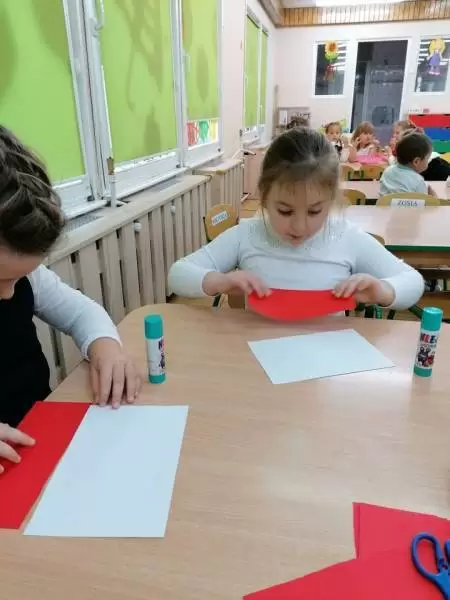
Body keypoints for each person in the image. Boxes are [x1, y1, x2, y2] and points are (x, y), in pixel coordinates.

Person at [0, 126, 142, 467]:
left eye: (19, 277)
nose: (10, 292)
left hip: (39, 433)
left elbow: (80, 312)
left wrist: (105, 346)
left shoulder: (25, 276)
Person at [168, 128, 424, 313]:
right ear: (264, 197)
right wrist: (219, 281)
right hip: (257, 356)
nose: (300, 228)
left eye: (314, 212)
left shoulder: (346, 238)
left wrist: (383, 290)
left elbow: (412, 280)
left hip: (326, 361)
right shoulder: (247, 234)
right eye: (284, 211)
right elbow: (178, 273)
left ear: (331, 201)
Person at [380, 131, 437, 197]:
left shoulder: (387, 171)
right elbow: (425, 201)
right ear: (416, 162)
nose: (428, 161)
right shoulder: (418, 181)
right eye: (427, 158)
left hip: (385, 204)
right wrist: (434, 196)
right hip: (410, 204)